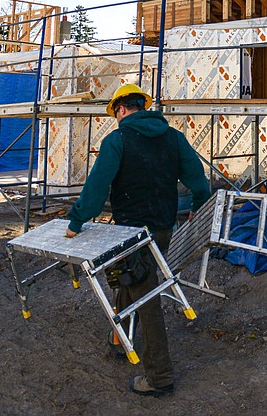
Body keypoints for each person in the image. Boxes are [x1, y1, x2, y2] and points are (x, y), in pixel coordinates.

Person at [64, 82, 211, 398]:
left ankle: (159, 377)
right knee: (130, 279)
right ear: (142, 106)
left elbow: (97, 187)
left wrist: (76, 220)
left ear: (120, 109)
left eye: (115, 112)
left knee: (147, 295)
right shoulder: (173, 137)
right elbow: (198, 179)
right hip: (162, 227)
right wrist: (199, 204)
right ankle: (120, 338)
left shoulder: (117, 139)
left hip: (130, 232)